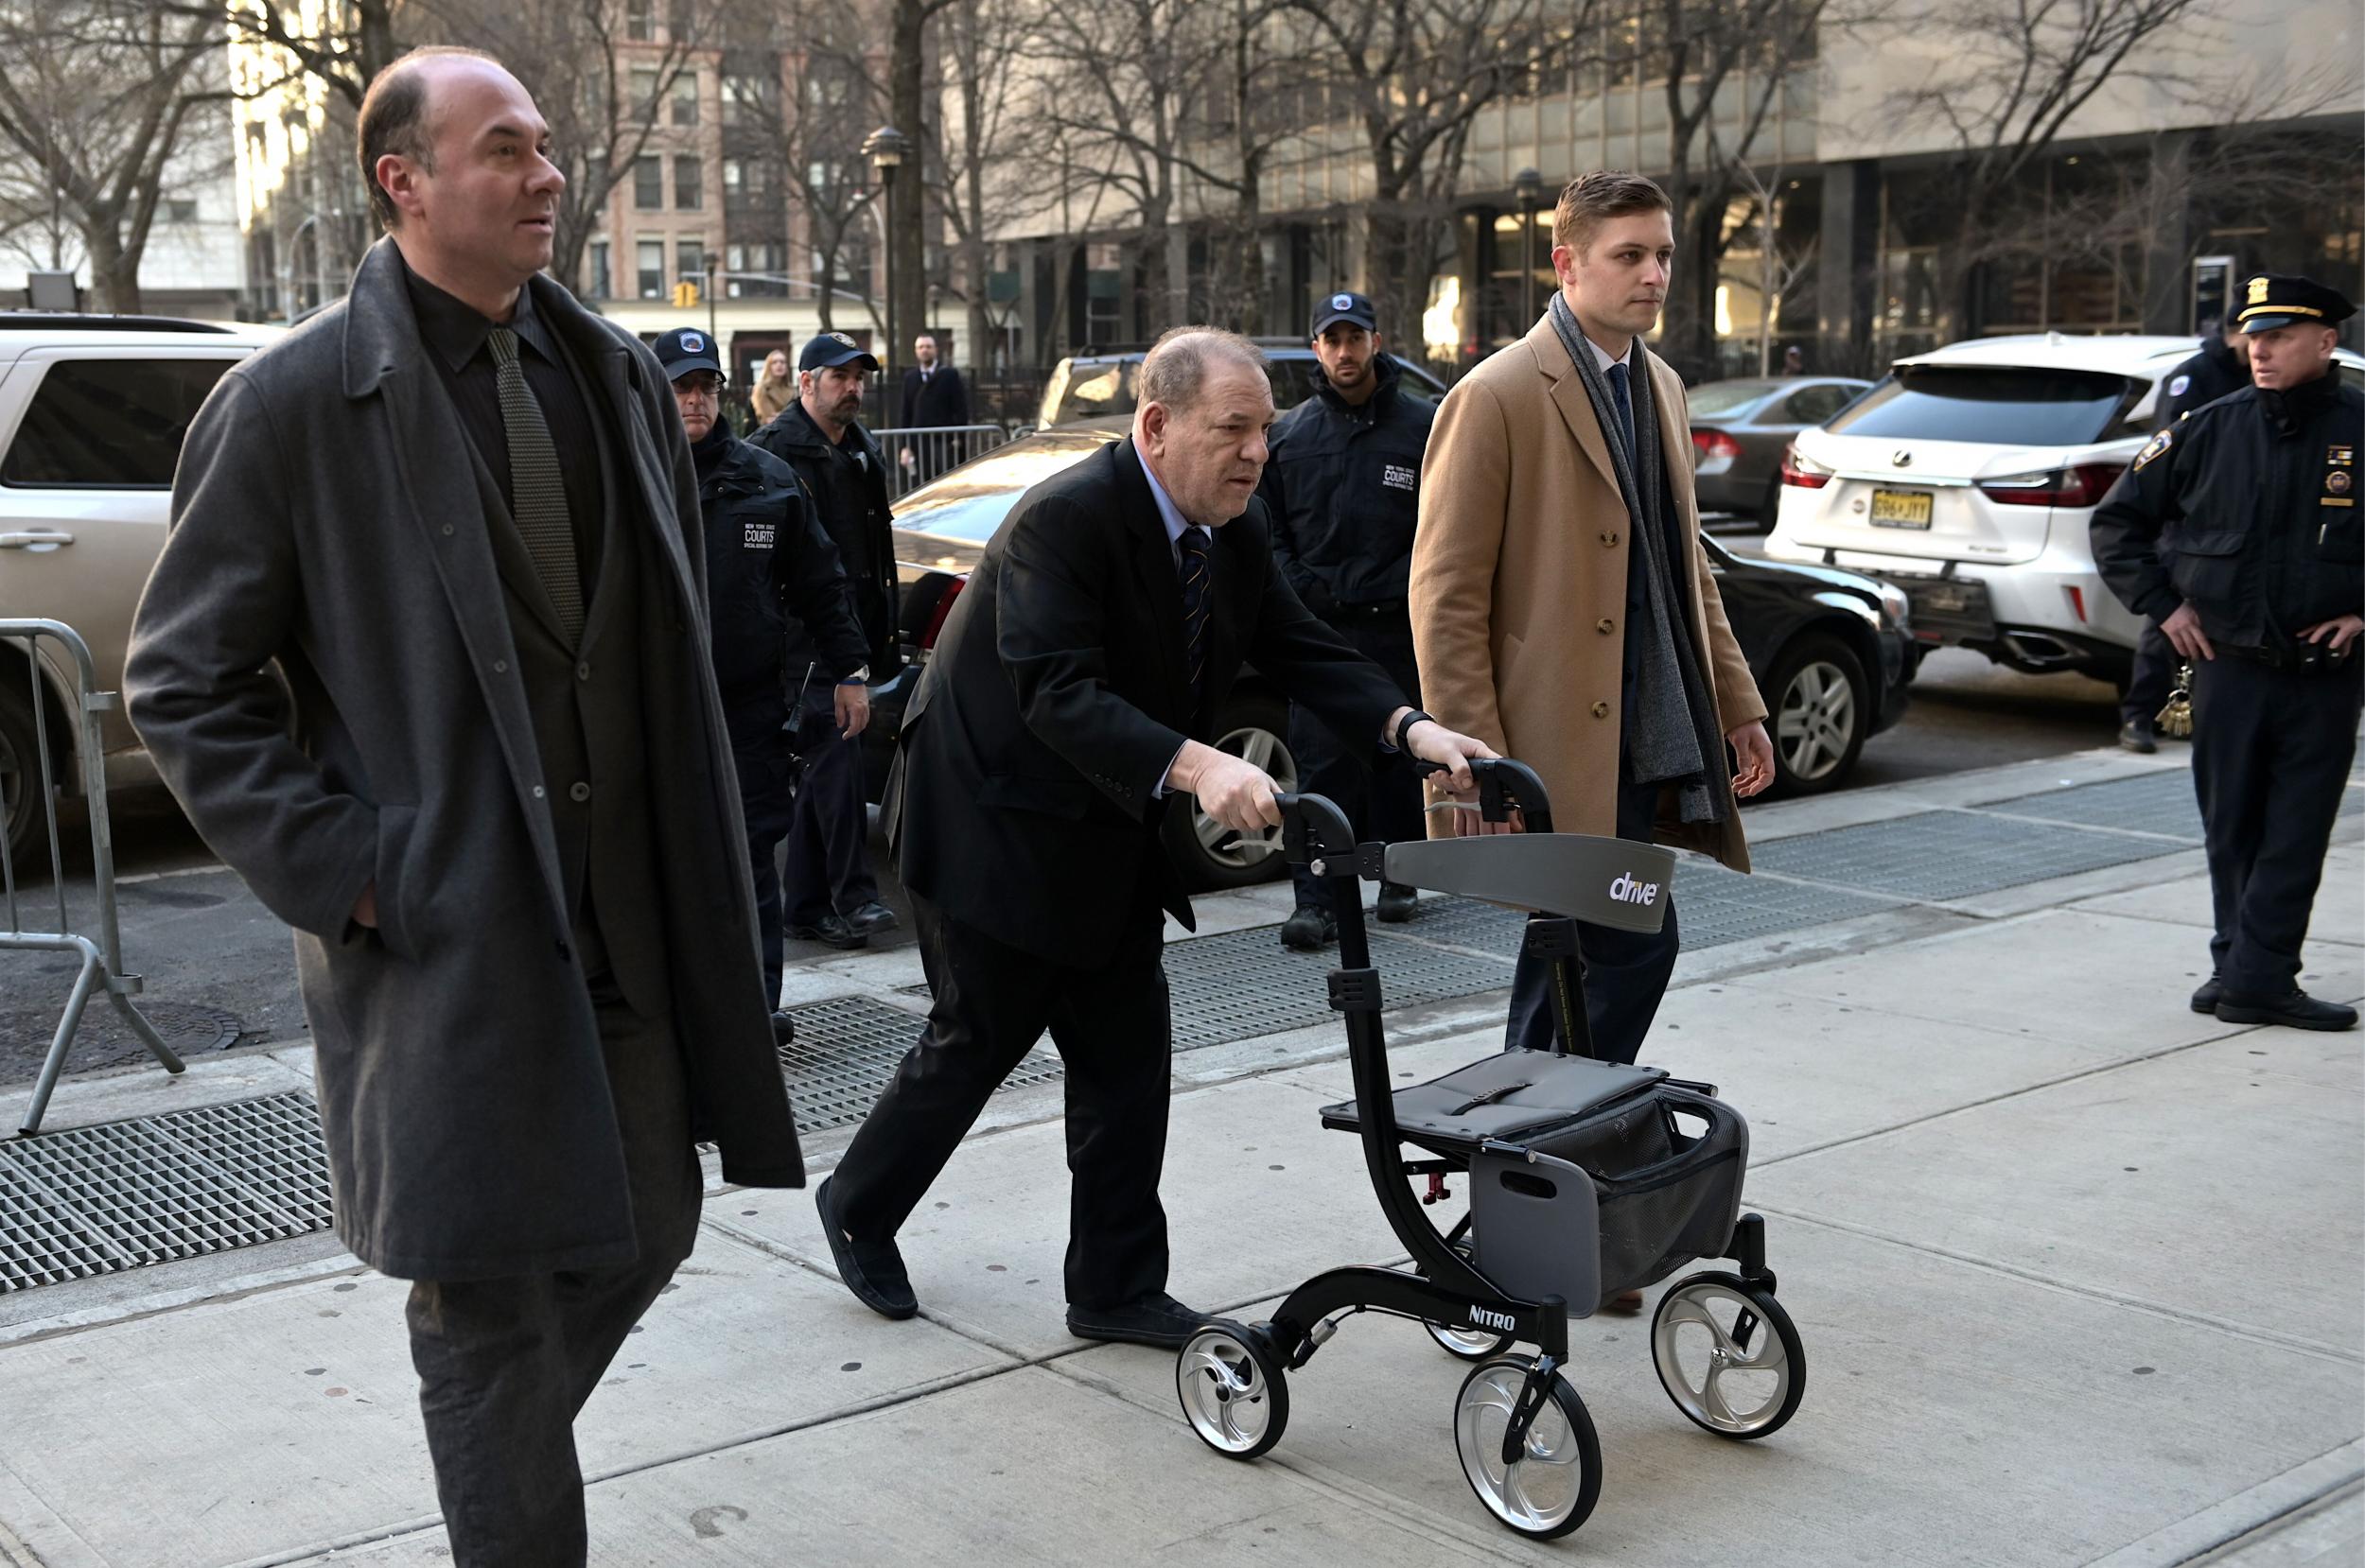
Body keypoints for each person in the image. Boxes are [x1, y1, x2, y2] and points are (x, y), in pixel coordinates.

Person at [122, 49, 803, 1565]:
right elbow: (181, 683)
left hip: (626, 931)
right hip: (449, 943)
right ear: (404, 182)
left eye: (546, 146)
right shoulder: (293, 402)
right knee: (486, 1307)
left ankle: (493, 1450)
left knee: (653, 1223)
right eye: (505, 150)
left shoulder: (613, 371)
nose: (547, 174)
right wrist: (357, 871)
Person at [815, 328, 1495, 1348]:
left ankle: (1116, 1287)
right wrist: (1200, 763)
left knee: (1127, 1064)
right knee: (975, 1043)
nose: (1257, 451)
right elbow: (1058, 690)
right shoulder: (1066, 520)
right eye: (1233, 428)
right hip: (992, 822)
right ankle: (857, 1205)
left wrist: (1411, 730)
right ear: (1156, 424)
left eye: (1264, 429)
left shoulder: (1233, 528)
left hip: (1106, 827)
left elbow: (1300, 644)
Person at [1412, 168, 1773, 1078]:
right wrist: (1481, 762)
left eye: (1662, 256)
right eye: (1630, 256)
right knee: (1629, 938)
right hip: (1548, 744)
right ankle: (1546, 1125)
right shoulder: (1494, 395)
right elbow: (1446, 594)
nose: (1653, 274)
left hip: (1648, 731)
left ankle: (1533, 1134)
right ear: (1566, 264)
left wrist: (1738, 701)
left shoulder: (1661, 388)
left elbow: (1685, 565)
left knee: (1574, 948)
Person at [2090, 272, 2362, 1033]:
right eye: (2253, 335)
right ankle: (2238, 966)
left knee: (2295, 830)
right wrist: (2164, 606)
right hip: (2229, 668)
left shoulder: (2361, 426)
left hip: (2322, 676)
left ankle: (2259, 977)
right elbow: (2118, 527)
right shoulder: (2208, 427)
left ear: (2326, 341)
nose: (2259, 349)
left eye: (2279, 337)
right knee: (2232, 827)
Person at [658, 324, 873, 1044]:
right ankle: (677, 1013)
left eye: (704, 387)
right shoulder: (625, 476)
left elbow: (820, 581)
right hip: (653, 709)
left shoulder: (766, 480)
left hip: (747, 706)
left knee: (751, 855)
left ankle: (756, 1010)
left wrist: (849, 671)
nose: (694, 400)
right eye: (680, 386)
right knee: (665, 861)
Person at [1255, 289, 1435, 949]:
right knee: (1324, 772)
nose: (1344, 351)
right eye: (1331, 340)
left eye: (1354, 337)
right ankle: (1321, 904)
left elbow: (1445, 532)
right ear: (1316, 350)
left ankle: (1396, 877)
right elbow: (1266, 534)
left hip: (1397, 628)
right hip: (1320, 634)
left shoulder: (1424, 428)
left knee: (1398, 761)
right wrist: (1304, 593)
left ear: (1376, 342)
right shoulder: (1290, 434)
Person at [750, 333, 902, 949]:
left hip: (850, 639)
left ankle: (806, 907)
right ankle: (855, 895)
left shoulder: (862, 451)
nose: (853, 387)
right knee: (835, 756)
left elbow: (872, 557)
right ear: (806, 382)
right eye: (840, 376)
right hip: (799, 643)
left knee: (822, 771)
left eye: (859, 376)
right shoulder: (772, 453)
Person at [2118, 315, 2252, 753]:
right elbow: (2167, 452)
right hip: (2192, 523)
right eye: (2257, 337)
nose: (2263, 351)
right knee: (2167, 625)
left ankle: (2192, 711)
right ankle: (2139, 715)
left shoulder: (2259, 374)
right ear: (2236, 333)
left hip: (2244, 531)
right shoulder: (2194, 376)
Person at [897, 330, 972, 484]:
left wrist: (958, 437)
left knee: (946, 484)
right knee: (921, 486)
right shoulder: (910, 378)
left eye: (928, 346)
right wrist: (904, 447)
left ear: (935, 350)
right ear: (916, 351)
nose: (924, 350)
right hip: (918, 443)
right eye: (921, 347)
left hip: (944, 441)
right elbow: (906, 413)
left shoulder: (950, 375)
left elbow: (960, 408)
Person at [750, 347, 796, 425]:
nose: (779, 365)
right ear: (768, 366)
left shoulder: (791, 389)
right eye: (774, 362)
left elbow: (798, 415)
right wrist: (790, 415)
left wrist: (782, 415)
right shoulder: (761, 388)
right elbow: (769, 419)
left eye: (782, 362)